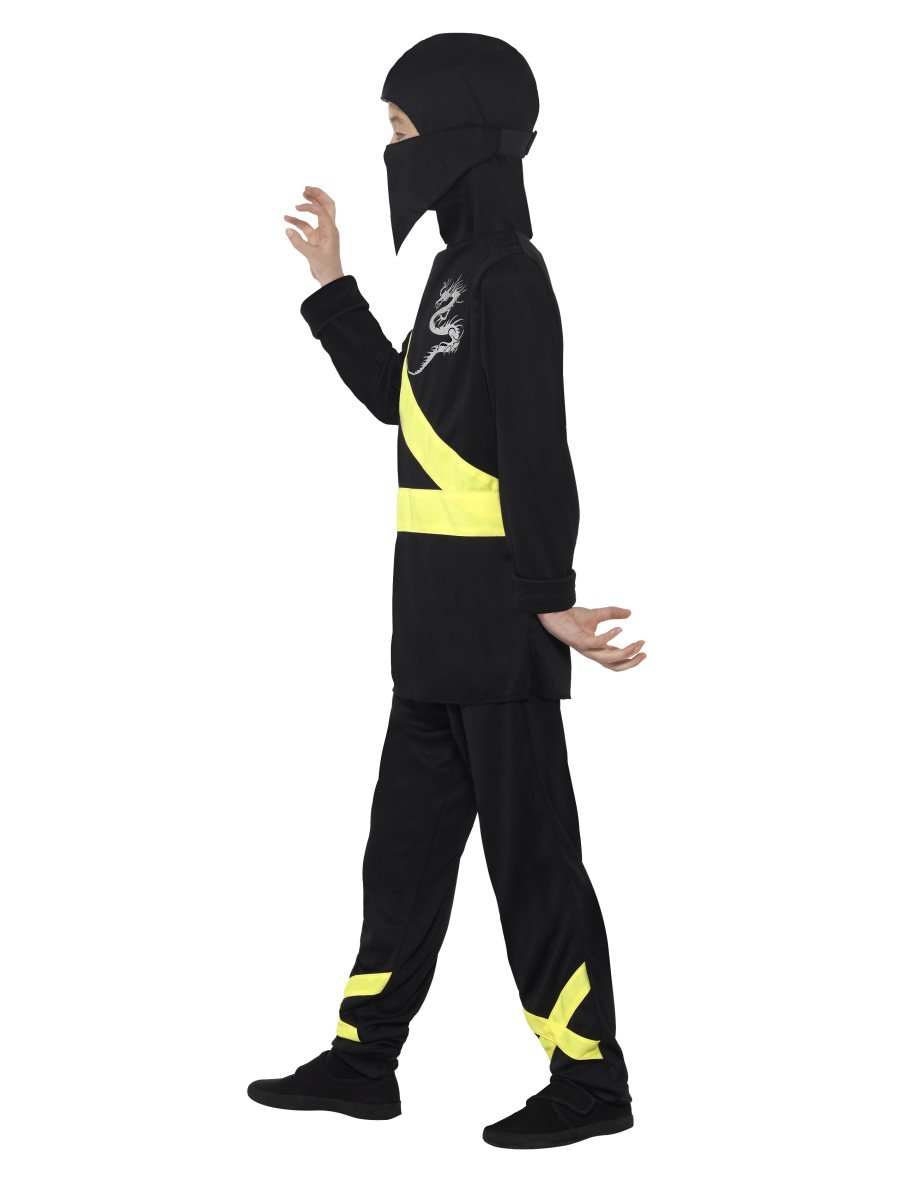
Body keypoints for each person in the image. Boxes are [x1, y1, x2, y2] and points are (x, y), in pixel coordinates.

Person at [247, 32, 646, 1150]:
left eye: (401, 127)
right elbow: (402, 405)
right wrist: (332, 286)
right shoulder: (450, 275)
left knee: (533, 863)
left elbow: (539, 446)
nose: (391, 149)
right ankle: (361, 1061)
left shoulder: (513, 276)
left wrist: (550, 595)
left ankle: (591, 1085)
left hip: (502, 626)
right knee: (403, 859)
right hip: (427, 627)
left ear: (464, 134)